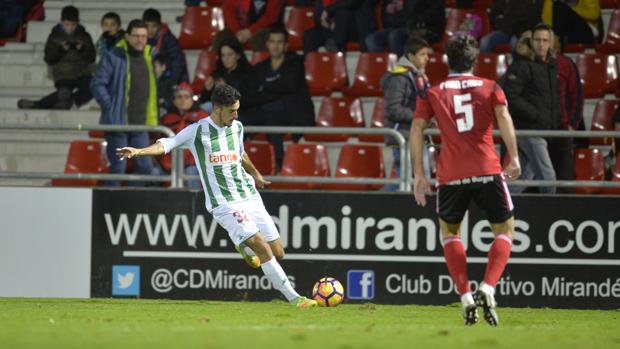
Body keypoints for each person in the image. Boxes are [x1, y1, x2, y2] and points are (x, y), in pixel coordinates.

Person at [116, 83, 318, 309]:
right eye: (232, 110)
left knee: (278, 252)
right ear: (217, 108)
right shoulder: (197, 131)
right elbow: (167, 144)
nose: (236, 114)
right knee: (261, 246)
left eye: (237, 109)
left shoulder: (237, 127)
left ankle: (242, 244)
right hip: (224, 203)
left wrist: (256, 173)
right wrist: (138, 151)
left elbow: (239, 154)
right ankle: (295, 298)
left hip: (249, 195)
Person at [411, 35, 521, 326]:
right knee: (505, 231)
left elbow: (416, 130)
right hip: (486, 169)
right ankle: (488, 286)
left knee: (450, 234)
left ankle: (465, 295)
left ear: (448, 61)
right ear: (475, 60)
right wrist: (514, 156)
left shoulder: (433, 92)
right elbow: (504, 117)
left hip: (451, 174)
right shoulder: (490, 87)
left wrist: (419, 175)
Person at [91, 19, 158, 187]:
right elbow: (97, 84)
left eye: (143, 36)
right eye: (135, 35)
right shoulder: (114, 55)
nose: (139, 40)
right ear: (127, 36)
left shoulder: (150, 56)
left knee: (145, 167)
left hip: (141, 125)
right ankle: (110, 206)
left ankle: (132, 203)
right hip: (118, 124)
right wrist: (110, 106)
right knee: (118, 168)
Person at [500, 23, 561, 194]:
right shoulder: (522, 65)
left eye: (545, 40)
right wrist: (535, 115)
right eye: (537, 40)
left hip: (542, 130)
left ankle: (498, 204)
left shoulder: (550, 66)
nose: (541, 44)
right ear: (531, 41)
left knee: (523, 177)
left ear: (551, 43)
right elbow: (510, 96)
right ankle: (552, 215)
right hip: (529, 129)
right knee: (548, 179)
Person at [254, 28, 315, 169]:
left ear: (286, 45)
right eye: (272, 42)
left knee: (270, 117)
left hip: (295, 112)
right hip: (268, 113)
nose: (275, 46)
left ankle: (284, 164)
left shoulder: (296, 63)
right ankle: (277, 162)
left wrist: (266, 86)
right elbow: (255, 90)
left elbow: (290, 84)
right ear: (267, 44)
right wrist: (277, 87)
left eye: (280, 42)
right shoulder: (260, 67)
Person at [17, 6, 96, 110]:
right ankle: (39, 104)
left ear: (78, 22)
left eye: (73, 24)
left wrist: (82, 49)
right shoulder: (54, 36)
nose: (70, 28)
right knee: (64, 93)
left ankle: (70, 102)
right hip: (63, 74)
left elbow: (91, 57)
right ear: (62, 21)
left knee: (95, 85)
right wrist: (61, 50)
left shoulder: (84, 36)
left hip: (82, 74)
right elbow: (49, 58)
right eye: (67, 24)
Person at [379, 35, 430, 192]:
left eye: (427, 54)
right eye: (422, 55)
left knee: (413, 181)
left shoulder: (417, 76)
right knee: (406, 181)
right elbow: (393, 110)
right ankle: (372, 205)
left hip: (415, 135)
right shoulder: (399, 78)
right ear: (410, 56)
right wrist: (420, 116)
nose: (427, 58)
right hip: (404, 136)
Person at [198, 39, 263, 125]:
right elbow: (204, 99)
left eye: (230, 54)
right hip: (219, 111)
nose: (226, 59)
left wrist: (227, 89)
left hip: (241, 112)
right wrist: (207, 90)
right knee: (202, 109)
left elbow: (249, 100)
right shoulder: (217, 73)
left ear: (238, 55)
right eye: (223, 55)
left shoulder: (249, 73)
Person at [155, 83, 207, 189]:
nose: (183, 100)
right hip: (169, 162)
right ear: (174, 100)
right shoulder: (166, 118)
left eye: (186, 97)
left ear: (192, 99)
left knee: (190, 172)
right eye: (179, 97)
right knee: (154, 173)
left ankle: (196, 204)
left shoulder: (203, 117)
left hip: (194, 162)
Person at [303, 0, 377, 53]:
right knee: (310, 36)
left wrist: (329, 10)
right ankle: (309, 70)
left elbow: (352, 3)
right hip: (331, 28)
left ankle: (337, 52)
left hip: (354, 29)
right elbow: (319, 15)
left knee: (342, 13)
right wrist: (327, 24)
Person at [213, 0, 283, 52]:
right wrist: (237, 32)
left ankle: (261, 67)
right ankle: (219, 69)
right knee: (221, 36)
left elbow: (271, 17)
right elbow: (228, 10)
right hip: (241, 30)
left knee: (260, 37)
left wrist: (250, 31)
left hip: (267, 30)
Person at [142, 8, 189, 84]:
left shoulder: (169, 39)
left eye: (154, 26)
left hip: (169, 79)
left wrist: (171, 82)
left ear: (159, 26)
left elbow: (177, 62)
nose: (150, 29)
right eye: (147, 26)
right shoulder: (140, 39)